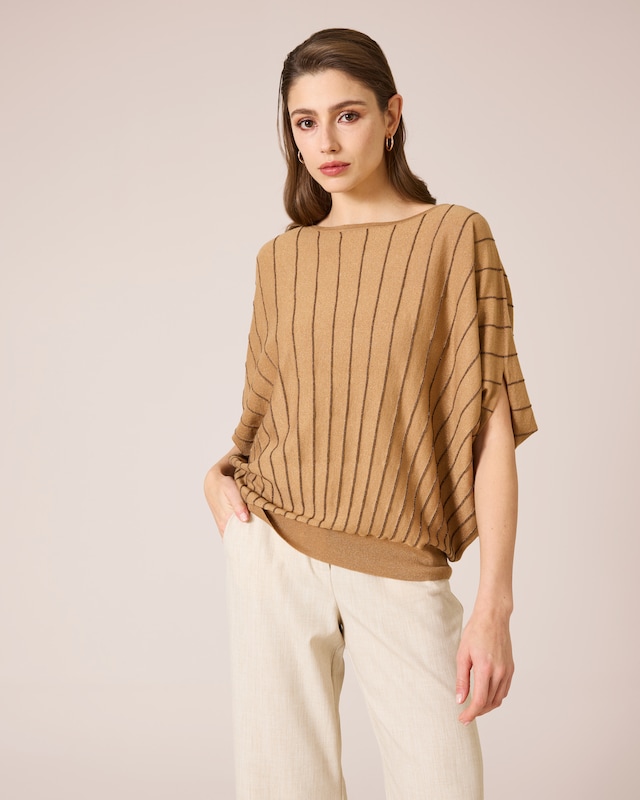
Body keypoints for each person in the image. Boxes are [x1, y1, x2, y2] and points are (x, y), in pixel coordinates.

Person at [204, 27, 537, 800]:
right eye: (305, 121)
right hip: (272, 551)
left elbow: (491, 431)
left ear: (391, 116)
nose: (325, 141)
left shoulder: (455, 237)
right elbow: (265, 416)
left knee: (443, 783)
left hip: (400, 561)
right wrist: (217, 478)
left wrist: (494, 604)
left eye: (347, 115)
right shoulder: (281, 260)